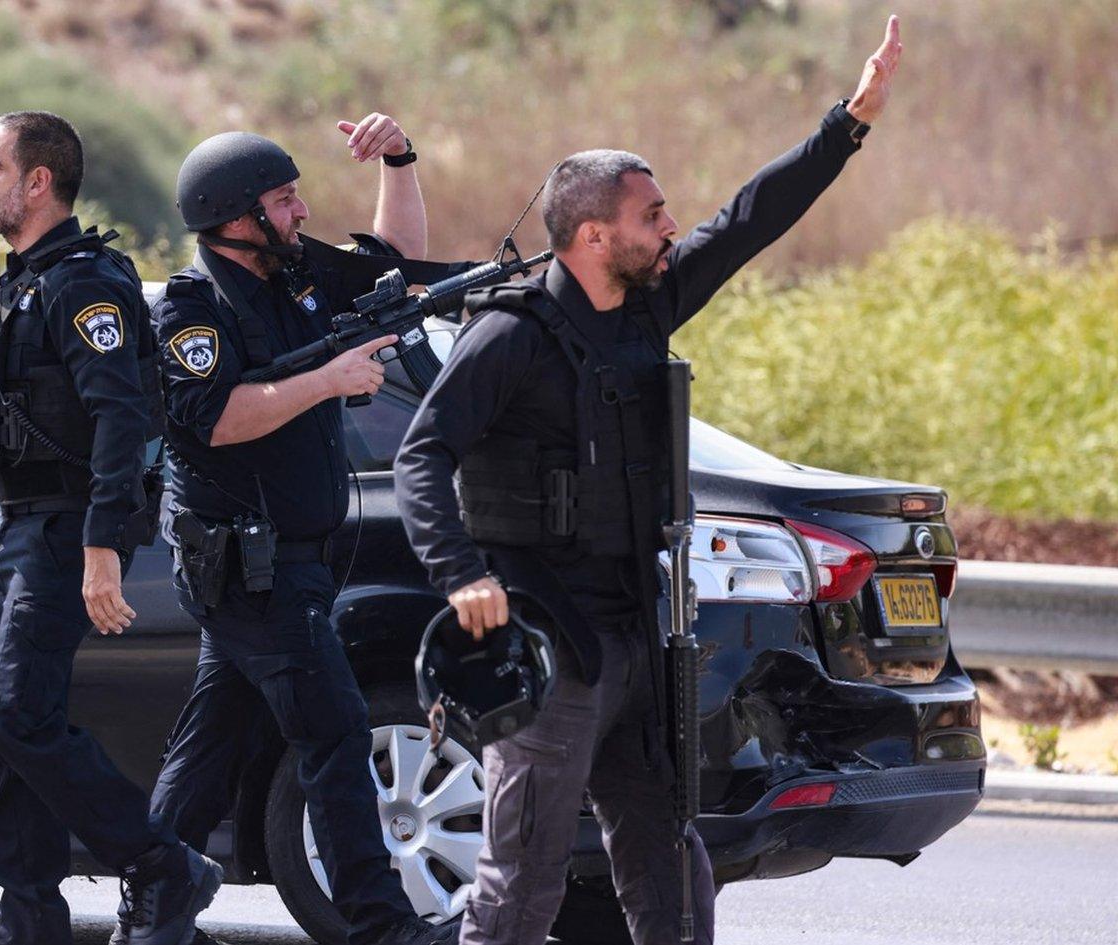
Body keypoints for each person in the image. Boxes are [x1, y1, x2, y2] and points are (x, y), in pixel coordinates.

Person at [391, 16, 904, 945]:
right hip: (548, 646)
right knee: (523, 880)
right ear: (594, 234)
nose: (673, 227)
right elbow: (421, 452)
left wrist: (848, 123)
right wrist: (461, 572)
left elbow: (747, 221)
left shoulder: (647, 302)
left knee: (667, 854)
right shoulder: (510, 337)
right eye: (652, 216)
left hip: (637, 633)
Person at [135, 116, 458, 945]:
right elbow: (212, 418)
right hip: (250, 565)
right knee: (337, 733)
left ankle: (151, 917)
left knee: (209, 749)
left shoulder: (295, 277)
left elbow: (394, 267)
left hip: (294, 560)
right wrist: (327, 380)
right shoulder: (194, 305)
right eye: (284, 201)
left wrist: (399, 159)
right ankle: (382, 925)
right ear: (236, 218)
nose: (302, 211)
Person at [0, 110, 217, 945]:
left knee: (19, 717)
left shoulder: (85, 283)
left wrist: (103, 548)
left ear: (38, 182)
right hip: (21, 525)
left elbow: (121, 418)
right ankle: (30, 913)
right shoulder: (19, 283)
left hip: (68, 525)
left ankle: (161, 863)